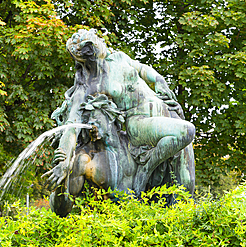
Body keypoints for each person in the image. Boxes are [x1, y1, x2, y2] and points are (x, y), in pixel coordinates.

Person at [43, 29, 195, 216]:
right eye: (97, 41)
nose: (102, 42)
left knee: (186, 177)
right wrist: (64, 160)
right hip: (139, 122)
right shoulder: (89, 85)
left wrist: (159, 80)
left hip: (163, 113)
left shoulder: (119, 58)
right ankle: (143, 174)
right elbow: (72, 126)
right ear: (89, 53)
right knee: (187, 131)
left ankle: (184, 214)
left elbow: (141, 68)